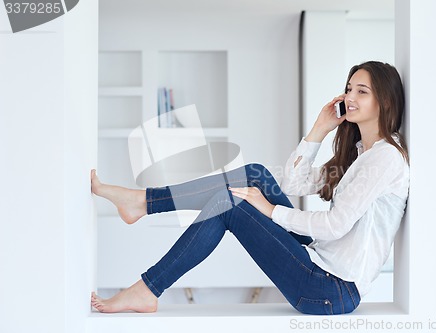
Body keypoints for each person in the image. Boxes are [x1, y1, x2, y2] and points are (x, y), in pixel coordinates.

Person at [90, 61, 410, 315]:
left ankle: (147, 280)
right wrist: (319, 128)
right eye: (349, 88)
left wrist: (269, 209)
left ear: (384, 100)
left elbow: (335, 225)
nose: (350, 98)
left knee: (229, 203)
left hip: (331, 289)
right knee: (254, 174)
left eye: (362, 92)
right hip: (320, 267)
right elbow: (292, 182)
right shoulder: (362, 155)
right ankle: (143, 203)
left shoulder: (384, 159)